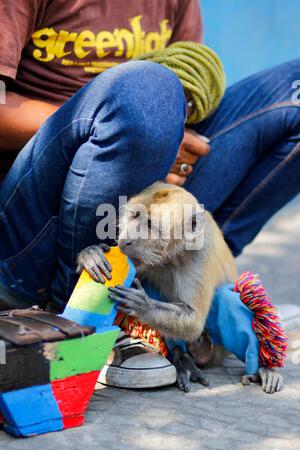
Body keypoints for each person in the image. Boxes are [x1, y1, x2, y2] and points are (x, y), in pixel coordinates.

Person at [0, 0, 299, 388]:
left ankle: (192, 291)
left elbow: (193, 96)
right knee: (149, 92)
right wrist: (119, 124)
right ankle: (83, 307)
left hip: (150, 202)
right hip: (44, 214)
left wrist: (168, 132)